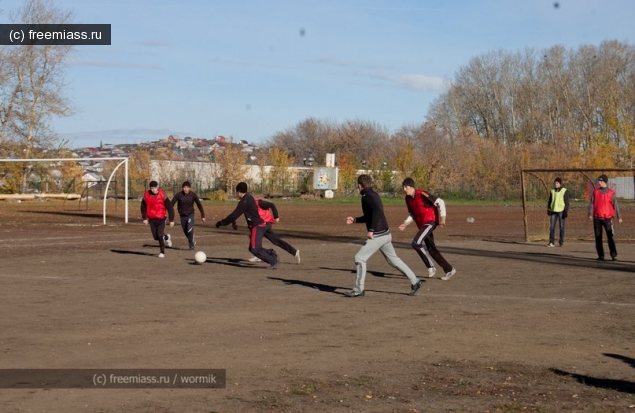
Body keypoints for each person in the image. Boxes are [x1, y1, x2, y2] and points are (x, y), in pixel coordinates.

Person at [345, 174, 423, 297]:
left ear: (359, 186)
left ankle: (358, 289)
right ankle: (415, 281)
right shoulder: (373, 194)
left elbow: (377, 212)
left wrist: (371, 230)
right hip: (385, 234)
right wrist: (355, 220)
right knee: (393, 260)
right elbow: (371, 215)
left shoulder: (367, 197)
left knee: (359, 258)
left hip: (378, 235)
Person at [398, 178, 457, 281]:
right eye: (403, 187)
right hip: (422, 225)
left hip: (430, 222)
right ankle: (449, 269)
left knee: (416, 243)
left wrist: (442, 218)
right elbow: (412, 213)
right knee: (431, 249)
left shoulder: (422, 194)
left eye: (406, 187)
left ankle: (430, 267)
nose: (404, 189)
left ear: (412, 187)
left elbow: (440, 202)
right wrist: (405, 223)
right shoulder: (407, 199)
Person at [215, 182, 279, 269]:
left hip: (257, 226)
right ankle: (271, 252)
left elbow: (234, 214)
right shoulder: (249, 197)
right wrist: (233, 223)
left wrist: (221, 223)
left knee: (254, 249)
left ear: (239, 192)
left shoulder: (244, 201)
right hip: (258, 225)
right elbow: (236, 213)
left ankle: (273, 261)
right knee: (252, 248)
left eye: (236, 192)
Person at [251, 198, 301, 264]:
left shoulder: (259, 202)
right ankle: (294, 252)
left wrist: (276, 216)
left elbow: (272, 204)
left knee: (254, 242)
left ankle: (260, 255)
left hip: (263, 225)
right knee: (276, 241)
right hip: (263, 225)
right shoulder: (250, 205)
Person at [588, 174, 622, 261]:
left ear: (605, 182)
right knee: (598, 237)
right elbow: (592, 203)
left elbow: (616, 205)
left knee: (610, 237)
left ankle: (614, 255)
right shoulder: (596, 192)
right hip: (597, 218)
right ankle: (601, 255)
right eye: (599, 181)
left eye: (601, 181)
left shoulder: (611, 193)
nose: (600, 183)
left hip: (607, 218)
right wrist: (590, 214)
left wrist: (619, 216)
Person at [140, 180, 175, 258]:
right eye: (152, 188)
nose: (154, 189)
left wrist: (171, 219)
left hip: (161, 218)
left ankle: (162, 252)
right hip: (152, 219)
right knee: (156, 237)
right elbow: (143, 207)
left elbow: (170, 207)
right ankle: (167, 237)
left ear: (157, 187)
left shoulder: (162, 195)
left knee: (159, 235)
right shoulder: (146, 196)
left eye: (155, 187)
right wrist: (144, 218)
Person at [171, 181, 206, 250]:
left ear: (189, 188)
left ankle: (191, 245)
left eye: (187, 187)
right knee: (185, 231)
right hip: (182, 216)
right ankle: (192, 240)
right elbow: (171, 204)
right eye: (184, 187)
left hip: (190, 214)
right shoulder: (179, 195)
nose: (185, 189)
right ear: (182, 188)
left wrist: (203, 215)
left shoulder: (193, 195)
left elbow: (199, 205)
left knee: (190, 229)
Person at [547, 177, 570, 247]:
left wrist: (565, 211)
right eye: (555, 183)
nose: (556, 184)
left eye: (557, 183)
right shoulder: (552, 191)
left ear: (560, 184)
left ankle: (561, 241)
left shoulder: (564, 191)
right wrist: (549, 209)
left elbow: (567, 202)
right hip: (554, 211)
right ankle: (551, 242)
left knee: (562, 226)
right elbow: (550, 201)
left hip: (561, 211)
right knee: (552, 227)